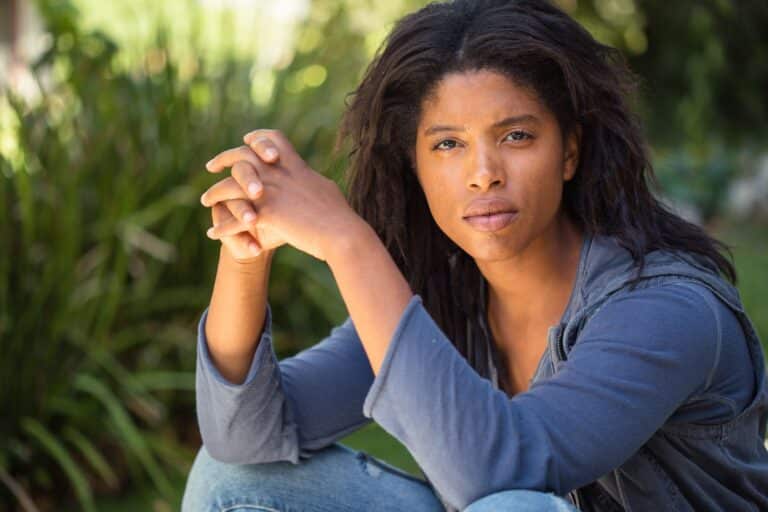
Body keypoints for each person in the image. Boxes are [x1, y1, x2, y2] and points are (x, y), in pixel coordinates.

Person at [181, 0, 768, 510]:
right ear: (416, 164)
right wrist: (245, 252)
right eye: (448, 145)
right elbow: (244, 440)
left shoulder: (666, 308)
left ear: (569, 152)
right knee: (228, 477)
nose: (483, 174)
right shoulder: (448, 298)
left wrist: (347, 240)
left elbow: (500, 474)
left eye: (516, 136)